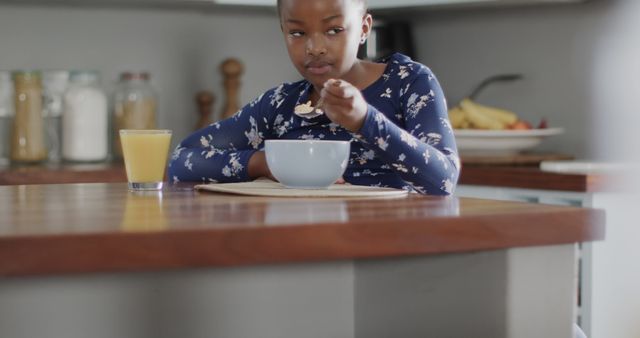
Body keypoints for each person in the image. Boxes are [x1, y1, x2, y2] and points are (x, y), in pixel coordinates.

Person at [168, 0, 460, 195]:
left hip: (387, 247)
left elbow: (443, 180)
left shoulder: (408, 82)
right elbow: (181, 162)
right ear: (283, 31)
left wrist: (365, 121)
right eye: (297, 33)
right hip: (301, 246)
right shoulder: (280, 104)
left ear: (364, 28)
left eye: (334, 30)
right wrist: (264, 164)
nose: (315, 47)